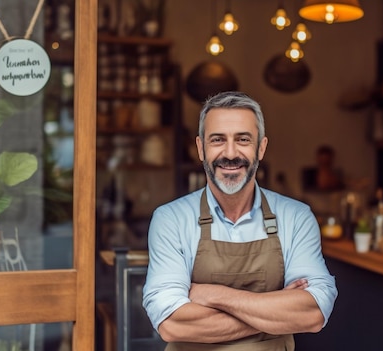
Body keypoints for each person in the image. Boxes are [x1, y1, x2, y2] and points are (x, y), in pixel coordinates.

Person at [142, 91, 338, 350]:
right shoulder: (171, 220)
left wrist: (212, 294)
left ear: (261, 148)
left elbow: (312, 314)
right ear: (201, 148)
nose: (231, 153)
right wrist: (276, 310)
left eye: (243, 139)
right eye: (218, 140)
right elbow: (172, 324)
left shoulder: (296, 217)